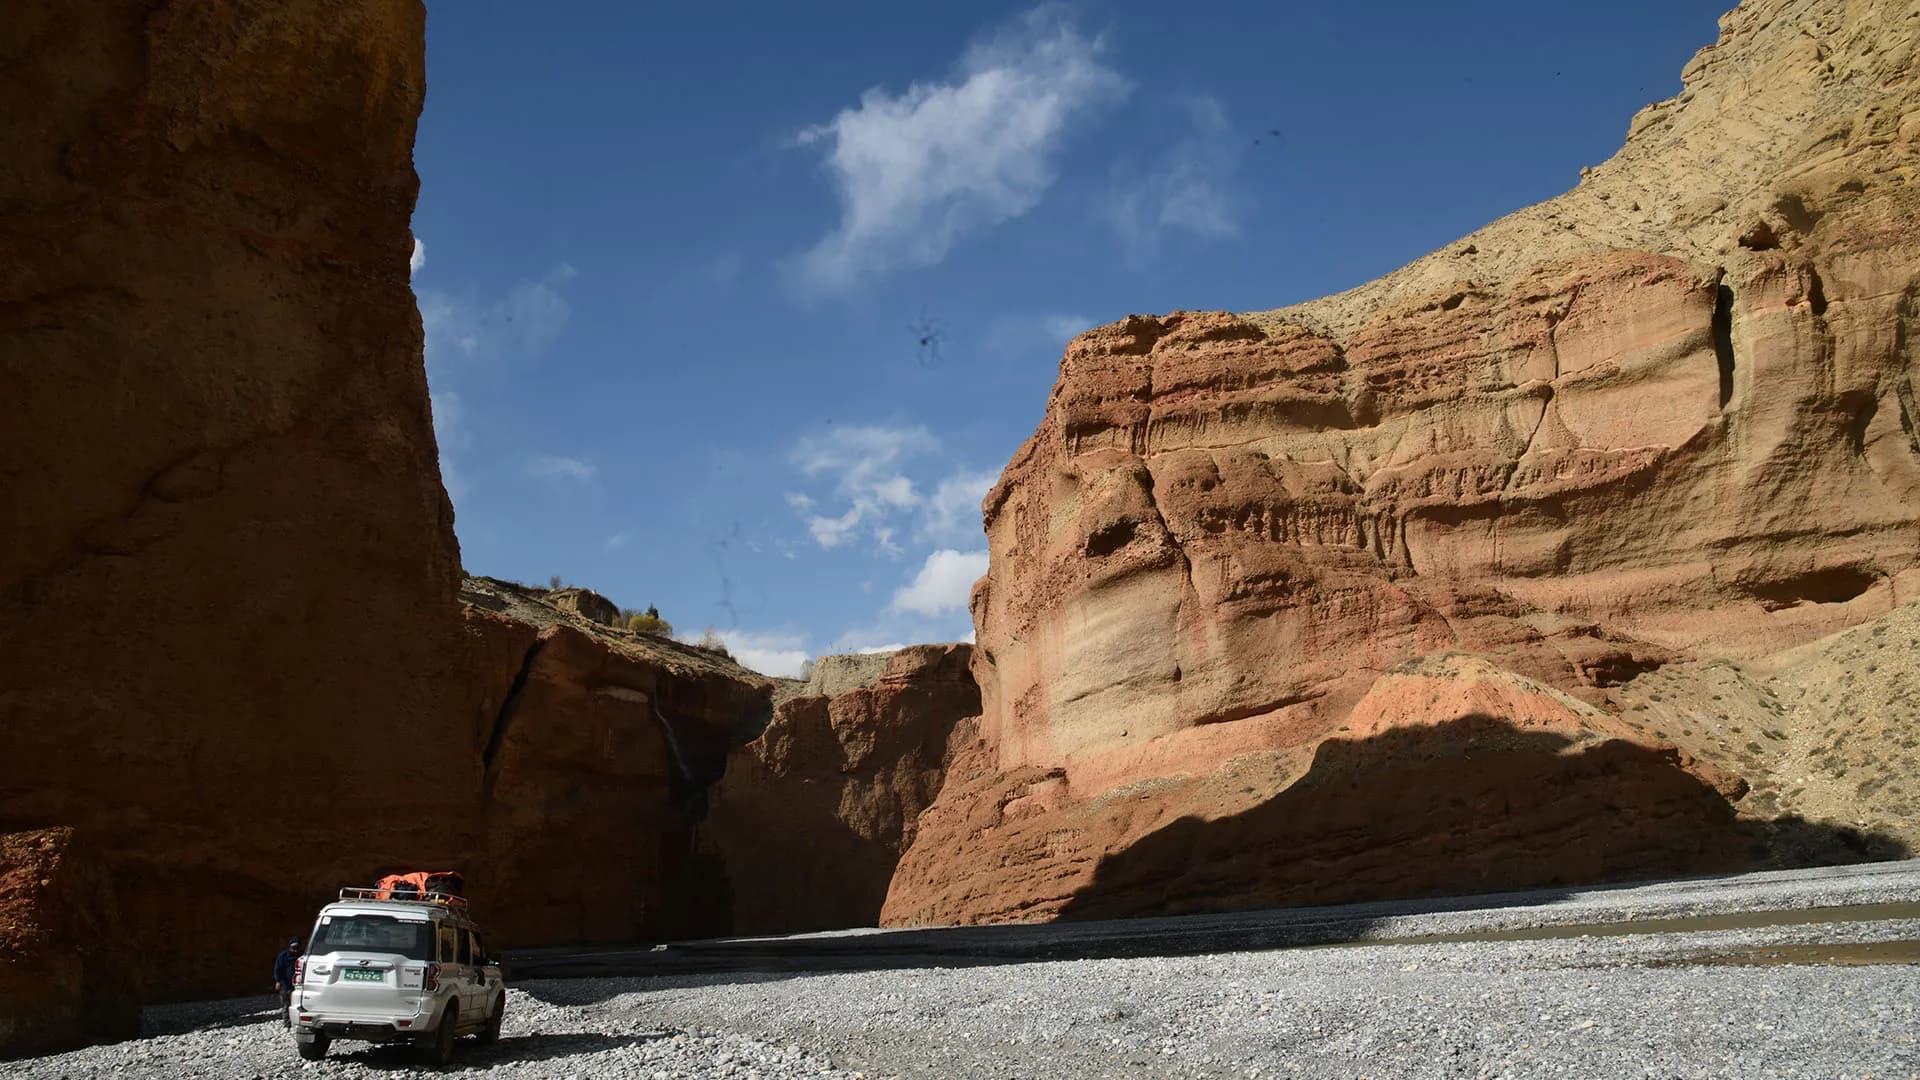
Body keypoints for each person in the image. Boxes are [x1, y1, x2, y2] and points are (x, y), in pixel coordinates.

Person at [272, 937, 302, 1027]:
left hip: (298, 985)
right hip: (285, 985)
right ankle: (287, 1023)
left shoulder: (301, 956)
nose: (295, 951)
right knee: (286, 1005)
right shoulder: (283, 956)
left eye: (297, 948)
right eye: (293, 948)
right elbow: (277, 969)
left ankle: (298, 1022)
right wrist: (278, 981)